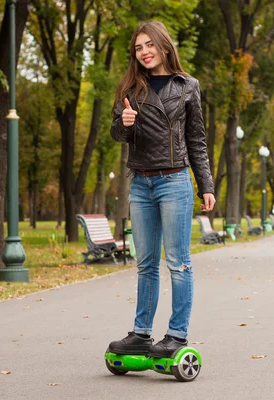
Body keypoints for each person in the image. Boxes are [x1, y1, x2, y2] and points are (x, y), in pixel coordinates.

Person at [108, 20, 215, 358]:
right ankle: (141, 334)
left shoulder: (187, 86)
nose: (144, 53)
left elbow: (196, 140)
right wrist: (123, 125)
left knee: (179, 263)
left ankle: (177, 335)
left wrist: (206, 185)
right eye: (138, 48)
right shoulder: (129, 88)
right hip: (140, 182)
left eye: (149, 45)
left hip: (175, 182)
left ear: (164, 46)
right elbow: (118, 134)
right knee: (146, 264)